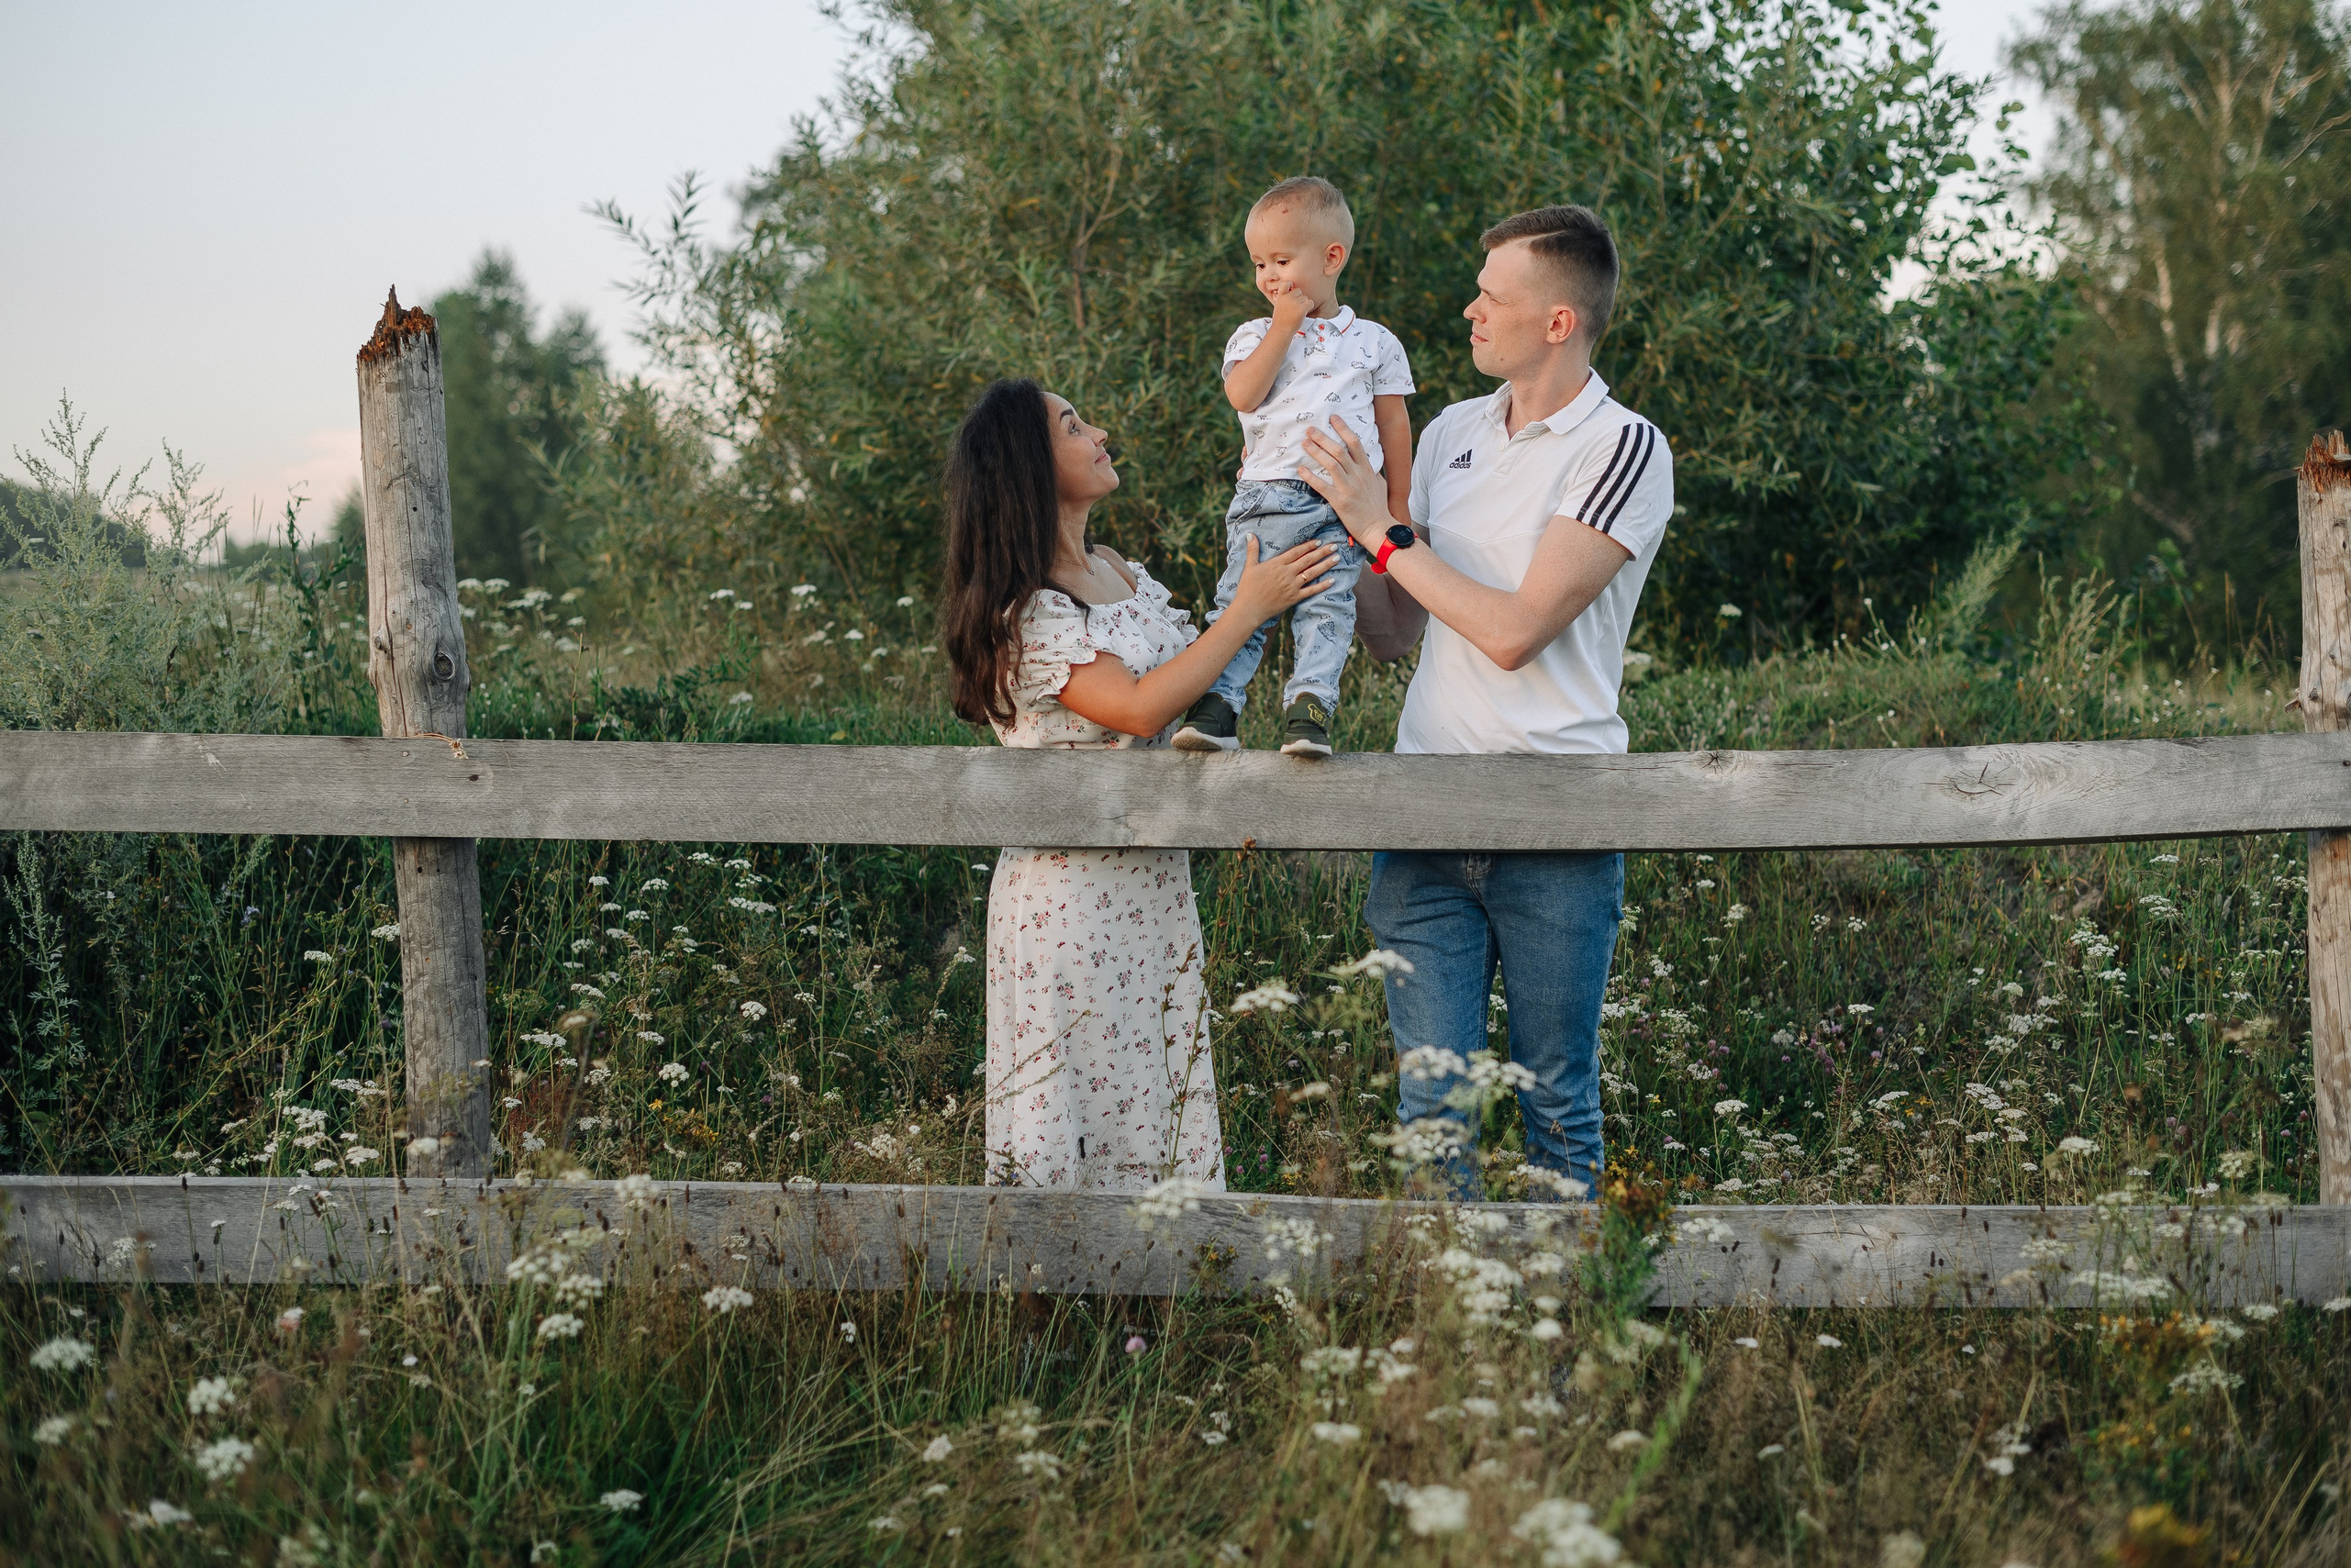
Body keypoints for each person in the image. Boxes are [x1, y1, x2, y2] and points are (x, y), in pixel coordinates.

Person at [1296, 205, 1674, 1200]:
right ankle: (1447, 1354)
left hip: (1555, 819)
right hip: (1422, 816)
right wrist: (1339, 530)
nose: (1468, 310)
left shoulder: (1622, 447)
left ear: (1557, 321)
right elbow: (1394, 631)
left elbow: (1512, 632)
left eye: (1491, 296)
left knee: (1556, 1100)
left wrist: (1383, 532)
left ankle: (1559, 1357)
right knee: (1434, 1112)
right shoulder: (1455, 429)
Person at [941, 378, 1338, 1189]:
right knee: (1072, 1112)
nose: (1100, 432)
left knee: (1154, 1101)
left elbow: (1192, 689)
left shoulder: (1121, 571)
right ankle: (1050, 1308)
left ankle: (1152, 1304)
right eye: (1074, 425)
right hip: (1067, 896)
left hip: (1155, 879)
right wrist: (1245, 612)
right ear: (1028, 465)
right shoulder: (1025, 611)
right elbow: (1134, 704)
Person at [1171, 176, 1415, 760]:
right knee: (1240, 601)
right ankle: (1217, 707)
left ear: (1332, 259)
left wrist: (1397, 506)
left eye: (1282, 260)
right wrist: (1284, 325)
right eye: (1259, 264)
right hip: (1265, 497)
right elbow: (1243, 396)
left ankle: (1310, 709)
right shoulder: (1254, 335)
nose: (1269, 277)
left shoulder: (1375, 342)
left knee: (1328, 605)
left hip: (1343, 502)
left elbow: (1395, 426)